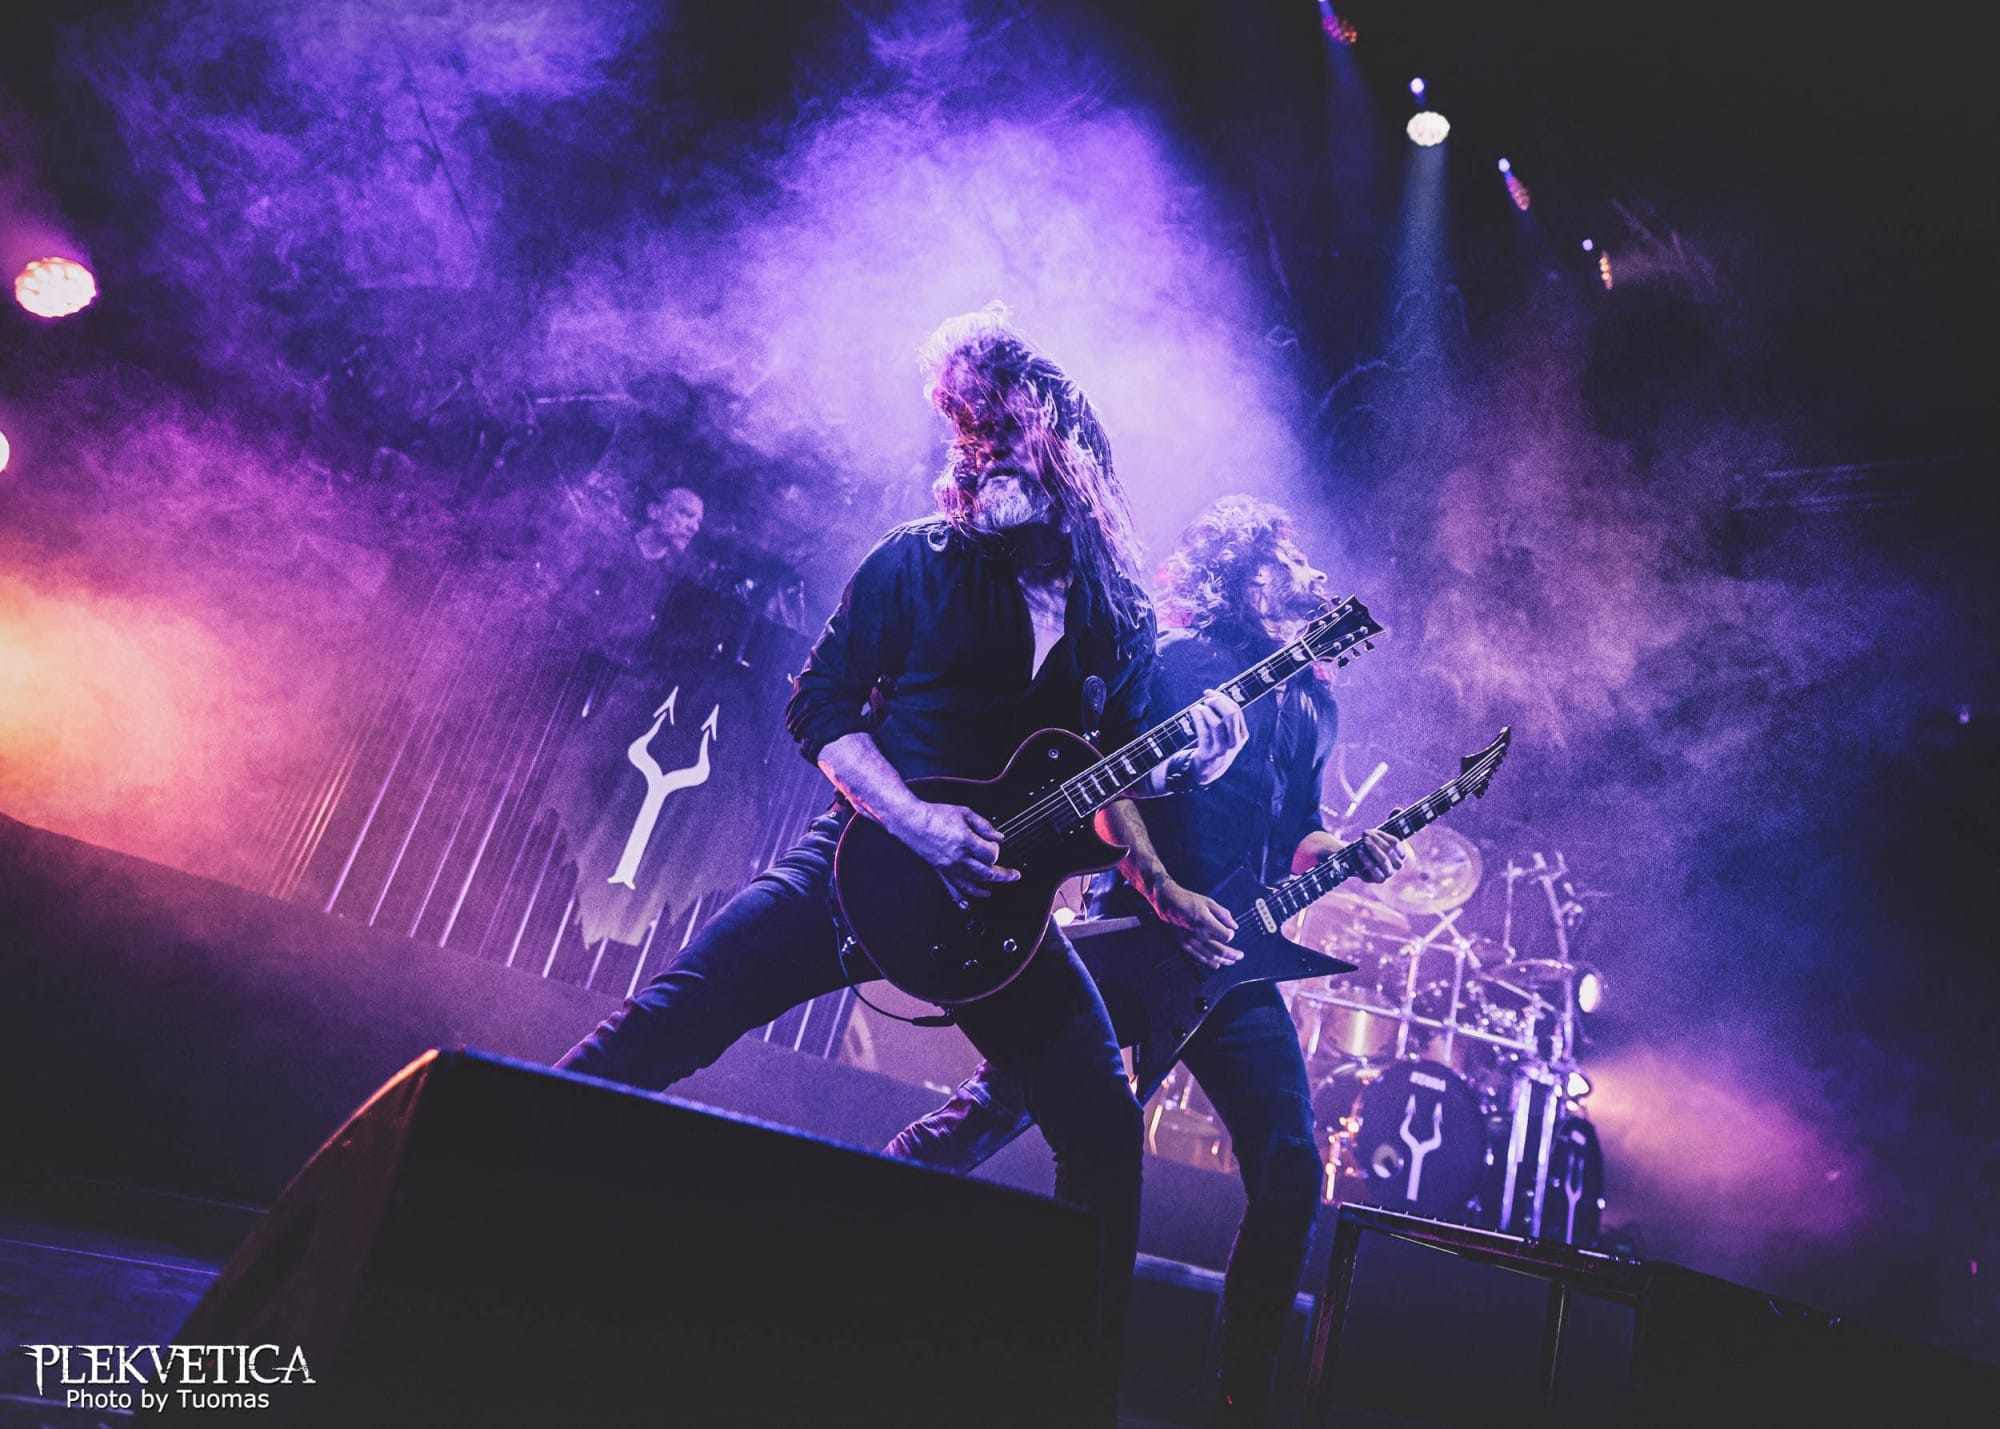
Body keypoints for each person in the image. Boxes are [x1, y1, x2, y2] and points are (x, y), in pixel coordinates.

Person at [555, 306, 1249, 1420]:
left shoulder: (1115, 615)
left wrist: (1175, 818)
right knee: (669, 1022)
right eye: (963, 438)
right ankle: (464, 1186)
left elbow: (1104, 775)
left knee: (1103, 1133)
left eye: (996, 437)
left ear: (1062, 447)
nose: (971, 459)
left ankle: (1065, 1394)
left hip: (1000, 919)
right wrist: (918, 821)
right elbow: (821, 709)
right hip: (858, 867)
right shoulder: (915, 561)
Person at [882, 494, 1406, 1427]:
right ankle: (857, 1230)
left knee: (1291, 1170)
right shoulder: (1176, 658)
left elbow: (1300, 831)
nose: (1313, 577)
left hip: (1231, 961)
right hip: (1135, 933)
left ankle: (1241, 1398)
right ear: (1245, 569)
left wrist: (1349, 850)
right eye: (1291, 561)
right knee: (993, 1113)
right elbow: (1106, 788)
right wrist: (1162, 889)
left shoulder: (1315, 699)